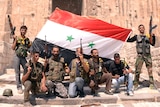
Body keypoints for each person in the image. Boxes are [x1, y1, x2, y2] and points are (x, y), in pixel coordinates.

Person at [127, 24, 156, 89]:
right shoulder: (136, 37)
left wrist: (153, 37)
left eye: (143, 28)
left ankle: (152, 84)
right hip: (140, 56)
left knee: (150, 70)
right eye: (140, 28)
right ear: (139, 29)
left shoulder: (148, 36)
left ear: (144, 29)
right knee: (137, 70)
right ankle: (136, 84)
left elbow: (153, 43)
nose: (142, 29)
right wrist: (128, 33)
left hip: (147, 56)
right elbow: (129, 40)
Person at [12, 25, 31, 94]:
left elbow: (30, 48)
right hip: (17, 56)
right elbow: (13, 48)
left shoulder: (27, 40)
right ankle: (19, 87)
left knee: (26, 69)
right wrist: (15, 40)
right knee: (17, 72)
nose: (23, 31)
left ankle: (25, 83)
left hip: (23, 57)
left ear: (26, 31)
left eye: (24, 30)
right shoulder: (17, 38)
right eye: (22, 30)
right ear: (20, 30)